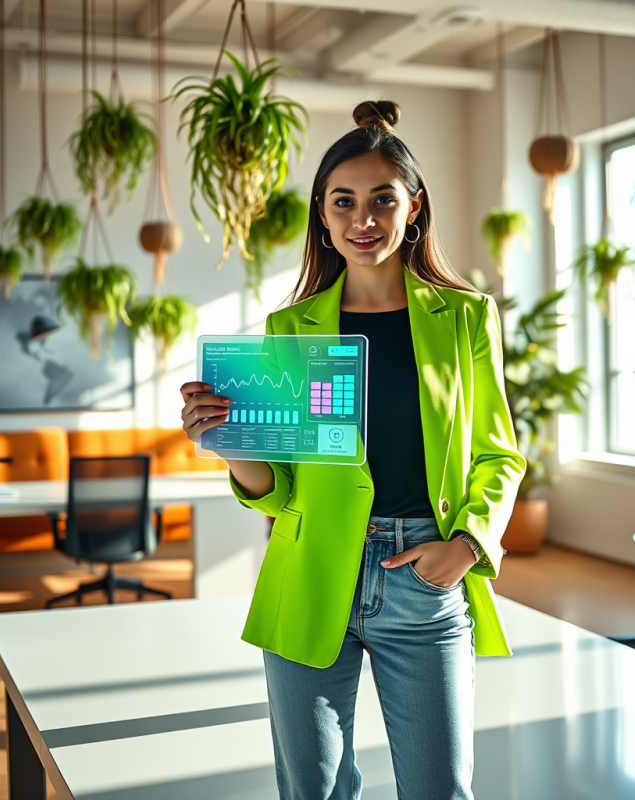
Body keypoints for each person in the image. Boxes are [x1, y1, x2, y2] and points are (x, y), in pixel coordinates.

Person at [180, 99, 526, 800]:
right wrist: (226, 445)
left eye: (381, 200)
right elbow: (279, 487)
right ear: (322, 211)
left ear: (414, 206)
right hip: (310, 576)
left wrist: (464, 547)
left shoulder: (464, 317)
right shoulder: (292, 325)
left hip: (423, 578)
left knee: (439, 790)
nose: (362, 221)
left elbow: (499, 453)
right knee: (314, 792)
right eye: (344, 202)